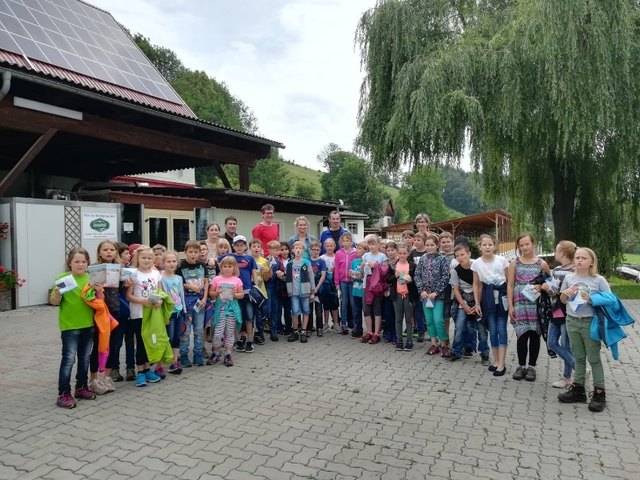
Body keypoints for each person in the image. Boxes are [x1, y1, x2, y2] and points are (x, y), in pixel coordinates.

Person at [558, 247, 611, 412]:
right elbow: (562, 299)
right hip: (571, 321)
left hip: (590, 322)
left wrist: (591, 299)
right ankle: (578, 389)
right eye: (577, 257)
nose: (579, 260)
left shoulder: (598, 280)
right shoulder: (568, 277)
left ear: (591, 262)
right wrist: (565, 295)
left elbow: (610, 299)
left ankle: (599, 393)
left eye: (583, 258)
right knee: (578, 357)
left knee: (594, 358)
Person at [50, 247, 96, 408]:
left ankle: (81, 387)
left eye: (84, 261)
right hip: (70, 326)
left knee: (85, 359)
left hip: (88, 324)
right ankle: (63, 393)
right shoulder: (62, 278)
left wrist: (99, 291)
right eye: (77, 261)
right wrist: (57, 295)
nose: (80, 264)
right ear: (70, 263)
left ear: (88, 263)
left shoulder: (91, 278)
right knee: (69, 359)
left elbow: (97, 301)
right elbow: (54, 302)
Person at [507, 233, 551, 382]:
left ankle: (532, 367)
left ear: (533, 244)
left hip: (536, 306)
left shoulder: (542, 264)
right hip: (520, 305)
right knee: (521, 335)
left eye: (527, 244)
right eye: (521, 245)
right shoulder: (515, 263)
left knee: (534, 335)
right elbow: (510, 284)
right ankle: (521, 366)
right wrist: (510, 305)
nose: (524, 247)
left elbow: (550, 283)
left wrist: (542, 286)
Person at [125, 245, 163, 387]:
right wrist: (142, 301)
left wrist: (159, 300)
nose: (146, 260)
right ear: (137, 258)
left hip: (153, 313)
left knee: (149, 341)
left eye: (149, 258)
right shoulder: (133, 274)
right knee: (140, 342)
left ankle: (148, 369)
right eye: (143, 257)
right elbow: (128, 295)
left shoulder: (156, 273)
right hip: (138, 313)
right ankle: (140, 371)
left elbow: (159, 291)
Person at [472, 234, 509, 376]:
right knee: (492, 330)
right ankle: (496, 360)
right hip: (487, 298)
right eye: (484, 245)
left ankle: (502, 363)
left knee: (501, 329)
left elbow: (509, 281)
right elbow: (476, 284)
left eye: (490, 244)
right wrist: (477, 303)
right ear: (480, 247)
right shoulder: (476, 263)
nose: (487, 247)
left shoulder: (502, 260)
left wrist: (510, 301)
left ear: (495, 246)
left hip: (502, 295)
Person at [448, 243, 489, 363]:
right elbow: (455, 289)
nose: (460, 258)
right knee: (460, 326)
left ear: (469, 254)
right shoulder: (456, 270)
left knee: (481, 330)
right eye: (457, 256)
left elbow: (481, 286)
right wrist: (464, 305)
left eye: (462, 254)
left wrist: (477, 304)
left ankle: (485, 353)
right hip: (463, 302)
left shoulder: (477, 266)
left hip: (478, 301)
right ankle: (456, 351)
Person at [544, 241, 576, 388]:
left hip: (566, 312)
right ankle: (576, 370)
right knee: (551, 342)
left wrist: (548, 289)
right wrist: (547, 287)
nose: (555, 253)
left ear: (562, 253)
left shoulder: (575, 271)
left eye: (556, 250)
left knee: (566, 344)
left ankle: (569, 376)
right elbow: (554, 290)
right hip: (554, 310)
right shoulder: (556, 270)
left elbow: (560, 292)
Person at [92, 240, 121, 394]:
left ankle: (107, 377)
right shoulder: (93, 270)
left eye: (112, 249)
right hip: (100, 312)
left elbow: (123, 290)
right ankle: (94, 378)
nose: (109, 252)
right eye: (105, 249)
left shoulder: (119, 269)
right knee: (99, 345)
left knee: (115, 345)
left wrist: (127, 283)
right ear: (99, 252)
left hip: (115, 311)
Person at [415, 234, 451, 357]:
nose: (429, 247)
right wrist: (422, 291)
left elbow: (445, 277)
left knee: (438, 320)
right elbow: (417, 276)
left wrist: (437, 292)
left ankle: (444, 344)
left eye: (432, 245)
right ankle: (434, 344)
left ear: (437, 245)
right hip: (425, 297)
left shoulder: (442, 259)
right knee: (429, 321)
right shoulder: (423, 259)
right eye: (427, 245)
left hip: (438, 297)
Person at [177, 240, 209, 367]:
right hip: (186, 302)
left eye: (196, 252)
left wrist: (205, 298)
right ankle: (184, 354)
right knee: (185, 330)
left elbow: (206, 282)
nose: (193, 254)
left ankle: (197, 353)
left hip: (199, 302)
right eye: (190, 252)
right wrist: (189, 285)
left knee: (199, 329)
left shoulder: (202, 265)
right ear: (185, 253)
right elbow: (177, 283)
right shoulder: (180, 266)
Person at [208, 255, 244, 367]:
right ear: (221, 267)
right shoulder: (216, 279)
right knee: (218, 332)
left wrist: (234, 294)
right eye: (224, 266)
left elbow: (241, 295)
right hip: (220, 308)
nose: (227, 268)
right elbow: (210, 293)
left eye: (230, 266)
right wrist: (216, 293)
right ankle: (216, 352)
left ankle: (228, 354)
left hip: (232, 309)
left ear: (234, 268)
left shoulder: (237, 280)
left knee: (229, 332)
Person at [230, 235, 258, 353]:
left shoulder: (250, 259)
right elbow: (218, 260)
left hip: (247, 291)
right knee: (237, 317)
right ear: (233, 246)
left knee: (249, 317)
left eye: (242, 245)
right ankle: (239, 340)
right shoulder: (230, 257)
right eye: (237, 245)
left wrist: (256, 285)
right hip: (234, 292)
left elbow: (254, 273)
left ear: (246, 246)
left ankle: (250, 340)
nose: (239, 247)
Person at [159, 250, 185, 375]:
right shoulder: (160, 278)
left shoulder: (179, 278)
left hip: (179, 311)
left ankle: (174, 361)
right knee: (168, 337)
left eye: (174, 261)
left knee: (176, 337)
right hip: (168, 313)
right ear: (163, 263)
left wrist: (184, 310)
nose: (171, 264)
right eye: (168, 261)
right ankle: (165, 361)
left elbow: (181, 295)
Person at [387, 243, 416, 351]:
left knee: (408, 319)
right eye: (400, 253)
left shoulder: (412, 265)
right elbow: (387, 279)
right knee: (398, 318)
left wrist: (410, 280)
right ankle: (399, 340)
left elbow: (416, 280)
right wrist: (395, 276)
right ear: (397, 253)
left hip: (408, 295)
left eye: (404, 253)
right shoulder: (393, 265)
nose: (402, 255)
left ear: (408, 253)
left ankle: (409, 340)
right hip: (397, 295)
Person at [286, 241, 316, 343]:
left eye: (300, 248)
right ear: (293, 250)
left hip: (305, 292)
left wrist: (312, 291)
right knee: (294, 311)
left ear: (303, 250)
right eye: (296, 248)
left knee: (306, 311)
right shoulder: (290, 264)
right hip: (293, 292)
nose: (298, 250)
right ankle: (295, 331)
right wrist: (289, 290)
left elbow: (311, 277)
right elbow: (288, 278)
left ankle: (303, 331)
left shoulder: (306, 263)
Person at [361, 235, 389, 344]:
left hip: (377, 286)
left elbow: (385, 271)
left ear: (378, 245)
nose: (372, 246)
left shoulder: (382, 256)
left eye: (374, 244)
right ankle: (369, 331)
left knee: (377, 309)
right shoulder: (365, 256)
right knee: (366, 309)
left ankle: (376, 333)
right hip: (366, 285)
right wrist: (363, 266)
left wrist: (376, 266)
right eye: (370, 244)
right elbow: (362, 271)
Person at [334, 232, 358, 333]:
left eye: (347, 241)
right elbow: (337, 268)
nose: (345, 243)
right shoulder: (339, 253)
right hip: (343, 282)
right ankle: (343, 323)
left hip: (353, 281)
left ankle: (356, 323)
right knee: (344, 303)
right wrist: (337, 283)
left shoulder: (355, 253)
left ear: (351, 242)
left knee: (353, 303)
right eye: (343, 241)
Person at [249, 238, 271, 344]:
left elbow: (267, 278)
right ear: (250, 248)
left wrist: (265, 272)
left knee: (261, 315)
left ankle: (259, 334)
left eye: (258, 246)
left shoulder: (264, 261)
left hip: (261, 291)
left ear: (261, 249)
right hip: (250, 291)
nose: (256, 248)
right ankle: (251, 335)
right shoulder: (247, 259)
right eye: (254, 246)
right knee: (250, 315)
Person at [409, 232, 428, 343]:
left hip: (426, 286)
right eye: (415, 240)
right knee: (418, 310)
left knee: (426, 310)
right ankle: (420, 331)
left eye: (418, 240)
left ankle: (428, 330)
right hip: (414, 286)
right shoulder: (412, 253)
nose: (416, 242)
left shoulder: (426, 253)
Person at [266, 240, 285, 341]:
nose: (277, 252)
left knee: (275, 310)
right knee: (267, 309)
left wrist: (281, 273)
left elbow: (283, 272)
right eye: (275, 250)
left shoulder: (279, 262)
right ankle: (266, 326)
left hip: (276, 288)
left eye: (279, 250)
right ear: (269, 250)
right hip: (267, 287)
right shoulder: (265, 260)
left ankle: (273, 331)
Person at [320, 238, 340, 333]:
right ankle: (326, 324)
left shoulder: (337, 256)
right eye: (327, 246)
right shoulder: (322, 258)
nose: (329, 247)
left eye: (331, 246)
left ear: (334, 247)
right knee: (326, 304)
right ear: (324, 247)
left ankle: (336, 323)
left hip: (334, 282)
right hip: (325, 283)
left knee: (335, 304)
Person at [308, 241, 327, 336]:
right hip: (309, 290)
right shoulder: (307, 261)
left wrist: (316, 288)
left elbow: (323, 276)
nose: (316, 252)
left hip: (319, 290)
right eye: (313, 250)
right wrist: (311, 289)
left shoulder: (322, 261)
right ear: (309, 250)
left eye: (318, 250)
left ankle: (319, 328)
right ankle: (309, 327)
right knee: (309, 310)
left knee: (319, 310)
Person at [382, 241, 398, 343]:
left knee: (396, 314)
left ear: (396, 251)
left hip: (397, 292)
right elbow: (384, 278)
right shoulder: (385, 263)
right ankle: (388, 332)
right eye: (388, 250)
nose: (390, 252)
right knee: (387, 313)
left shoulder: (399, 262)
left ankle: (396, 334)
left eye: (392, 250)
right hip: (386, 292)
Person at [278, 242, 293, 334]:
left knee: (288, 310)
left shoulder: (292, 261)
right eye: (281, 250)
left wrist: (284, 274)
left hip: (289, 290)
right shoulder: (277, 261)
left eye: (286, 249)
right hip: (279, 289)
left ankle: (288, 328)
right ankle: (279, 327)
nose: (284, 252)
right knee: (278, 310)